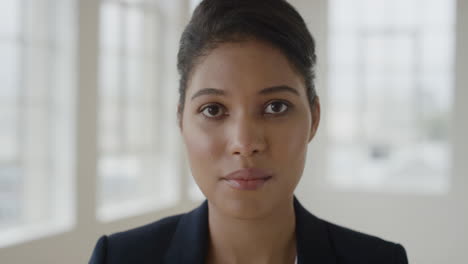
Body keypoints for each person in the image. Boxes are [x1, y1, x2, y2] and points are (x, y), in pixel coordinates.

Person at [89, 0, 408, 263]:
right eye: (213, 109)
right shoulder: (118, 258)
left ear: (314, 118)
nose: (244, 143)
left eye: (276, 107)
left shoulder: (379, 260)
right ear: (181, 120)